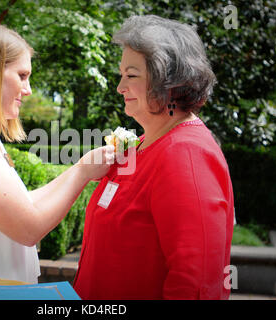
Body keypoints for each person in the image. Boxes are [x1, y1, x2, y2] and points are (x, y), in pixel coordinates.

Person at [0, 21, 114, 284]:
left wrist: (81, 166)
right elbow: (29, 228)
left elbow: (22, 203)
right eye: (22, 76)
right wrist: (83, 172)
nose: (28, 90)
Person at [73, 15, 235, 299]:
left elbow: (195, 282)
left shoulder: (187, 153)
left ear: (167, 82)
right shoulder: (142, 145)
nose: (120, 87)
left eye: (131, 75)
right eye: (121, 74)